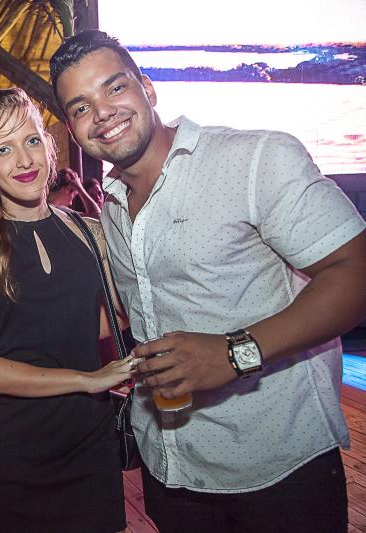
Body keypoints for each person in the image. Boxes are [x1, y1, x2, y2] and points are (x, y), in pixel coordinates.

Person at [50, 30, 366, 533]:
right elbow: (134, 307)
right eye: (82, 107)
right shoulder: (112, 207)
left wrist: (235, 352)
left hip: (277, 468)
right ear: (72, 128)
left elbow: (355, 272)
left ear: (148, 89)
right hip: (171, 470)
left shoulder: (255, 160)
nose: (103, 112)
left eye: (115, 87)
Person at [0, 87, 139, 533]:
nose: (24, 160)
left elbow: (107, 320)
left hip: (91, 441)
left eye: (32, 140)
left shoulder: (90, 232)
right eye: (4, 149)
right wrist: (87, 380)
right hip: (18, 450)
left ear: (49, 146)